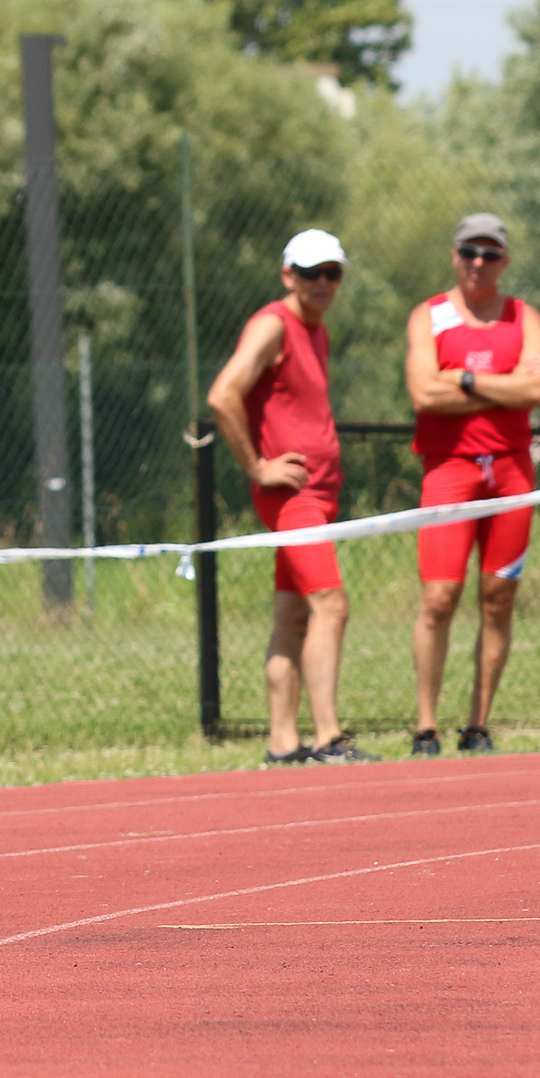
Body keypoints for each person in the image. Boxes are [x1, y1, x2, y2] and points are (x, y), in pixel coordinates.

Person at [206, 228, 373, 767]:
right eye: (310, 273)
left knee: (292, 616)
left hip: (318, 496)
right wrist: (257, 467)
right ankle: (328, 737)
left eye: (332, 273)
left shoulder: (316, 330)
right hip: (292, 497)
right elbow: (222, 395)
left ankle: (283, 742)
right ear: (287, 276)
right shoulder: (272, 324)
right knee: (331, 605)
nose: (322, 282)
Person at [405, 212, 540, 756]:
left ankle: (478, 724)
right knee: (439, 597)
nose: (478, 263)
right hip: (449, 470)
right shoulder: (429, 316)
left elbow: (537, 392)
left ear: (504, 262)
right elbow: (424, 394)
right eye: (470, 252)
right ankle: (426, 727)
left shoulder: (524, 318)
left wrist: (465, 379)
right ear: (454, 256)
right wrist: (504, 387)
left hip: (512, 473)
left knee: (498, 598)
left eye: (490, 254)